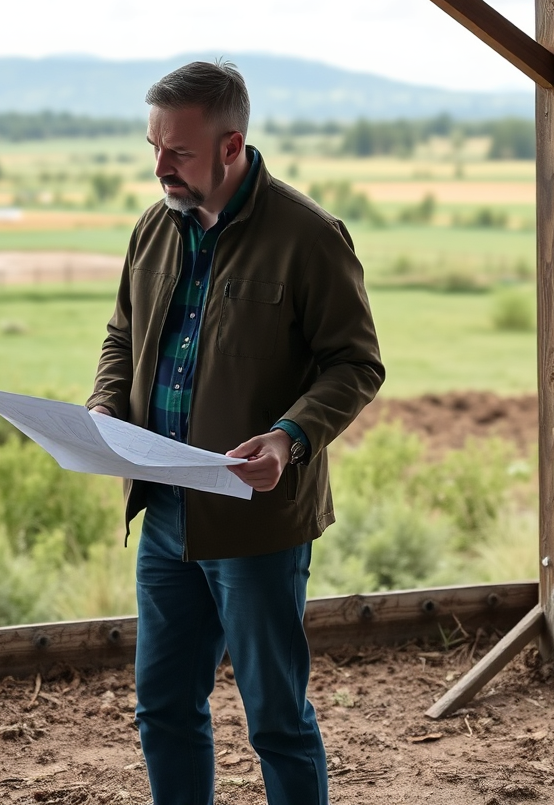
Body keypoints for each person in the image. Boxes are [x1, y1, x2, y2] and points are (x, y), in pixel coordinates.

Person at [86, 60, 384, 805]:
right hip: (164, 515)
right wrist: (103, 405)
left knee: (276, 720)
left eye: (177, 152)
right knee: (161, 708)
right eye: (153, 147)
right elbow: (122, 333)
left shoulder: (309, 236)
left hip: (258, 524)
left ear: (230, 146)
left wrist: (288, 437)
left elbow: (354, 365)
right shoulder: (153, 228)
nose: (159, 168)